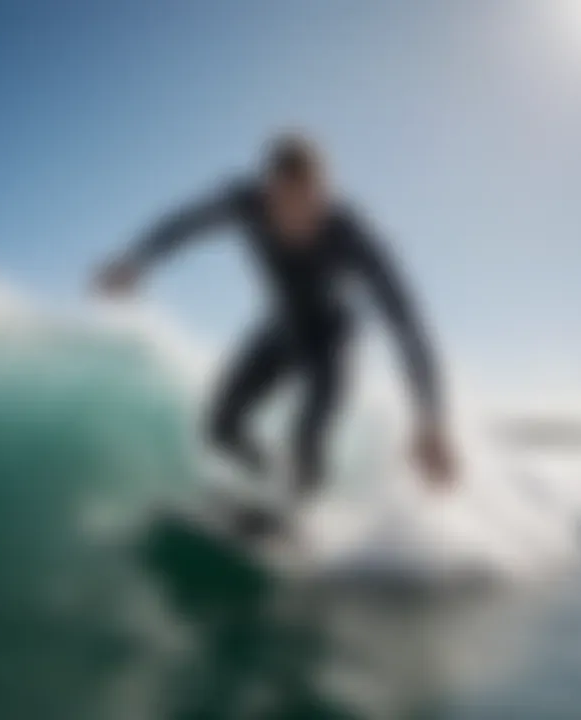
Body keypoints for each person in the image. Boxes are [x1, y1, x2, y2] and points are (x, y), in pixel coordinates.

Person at [92, 133, 455, 504]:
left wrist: (431, 419)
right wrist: (137, 260)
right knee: (221, 428)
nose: (295, 218)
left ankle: (305, 512)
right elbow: (186, 224)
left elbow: (406, 323)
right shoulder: (246, 203)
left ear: (323, 197)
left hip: (333, 339)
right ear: (268, 192)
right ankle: (269, 490)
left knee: (306, 440)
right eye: (283, 203)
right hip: (282, 328)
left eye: (307, 204)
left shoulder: (350, 234)